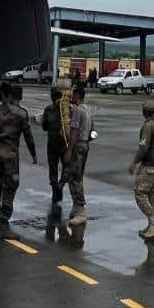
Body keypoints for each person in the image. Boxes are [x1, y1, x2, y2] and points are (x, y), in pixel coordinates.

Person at [0, 81, 37, 238]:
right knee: (10, 187)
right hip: (10, 157)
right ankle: (3, 223)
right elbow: (28, 136)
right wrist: (33, 154)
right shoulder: (21, 113)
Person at [129, 99, 154, 238]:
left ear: (143, 112)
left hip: (149, 166)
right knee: (152, 194)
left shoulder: (148, 126)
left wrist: (134, 163)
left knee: (140, 193)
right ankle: (152, 225)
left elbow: (143, 148)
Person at [62, 85, 92, 226]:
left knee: (74, 178)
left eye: (73, 95)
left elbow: (73, 132)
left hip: (78, 145)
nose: (71, 98)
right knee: (77, 176)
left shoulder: (77, 111)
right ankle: (76, 208)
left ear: (77, 96)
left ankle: (80, 211)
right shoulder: (87, 109)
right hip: (85, 144)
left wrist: (69, 150)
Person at [42, 86, 68, 205]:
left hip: (52, 142)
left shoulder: (48, 109)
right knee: (66, 166)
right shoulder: (66, 110)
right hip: (64, 142)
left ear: (52, 97)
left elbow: (44, 127)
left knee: (53, 167)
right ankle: (61, 184)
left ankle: (55, 190)